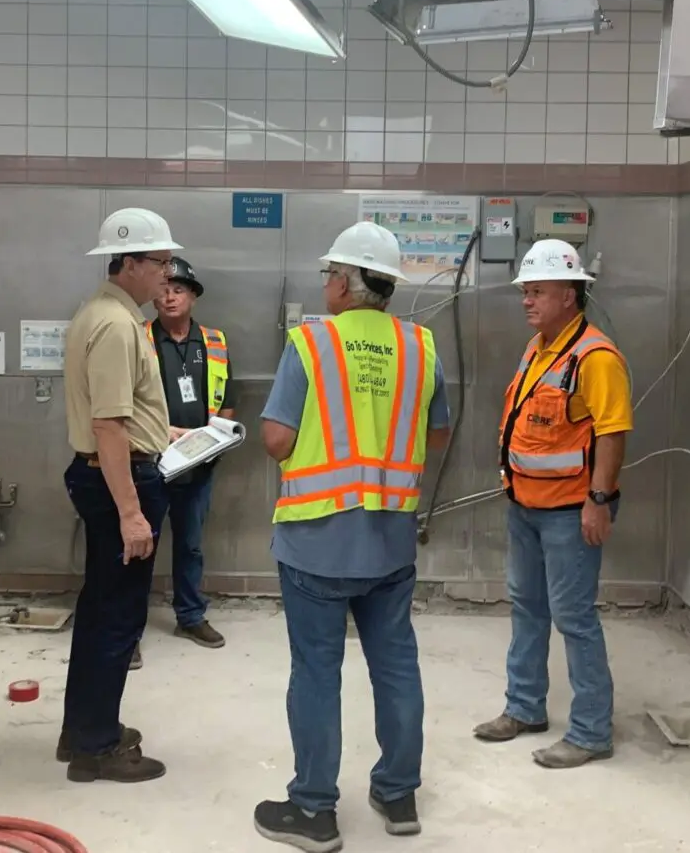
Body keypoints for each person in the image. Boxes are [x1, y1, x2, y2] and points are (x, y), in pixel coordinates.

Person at [253, 221, 452, 853]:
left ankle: (313, 810)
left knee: (317, 670)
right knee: (395, 665)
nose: (326, 286)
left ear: (343, 282)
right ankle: (397, 795)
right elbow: (437, 433)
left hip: (316, 537)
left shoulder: (311, 344)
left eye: (329, 276)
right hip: (390, 537)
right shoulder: (422, 346)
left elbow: (277, 439)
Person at [472, 238, 633, 770]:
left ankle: (590, 731)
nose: (527, 300)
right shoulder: (539, 347)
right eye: (526, 291)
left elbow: (612, 434)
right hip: (525, 506)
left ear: (570, 294)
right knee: (528, 609)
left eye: (537, 291)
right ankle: (524, 708)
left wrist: (599, 500)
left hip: (570, 512)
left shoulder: (596, 357)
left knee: (574, 617)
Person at [55, 206, 180, 784]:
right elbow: (108, 426)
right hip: (118, 484)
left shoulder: (107, 315)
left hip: (117, 470)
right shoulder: (114, 324)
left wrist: (166, 434)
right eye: (160, 262)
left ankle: (82, 730)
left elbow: (123, 416)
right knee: (117, 617)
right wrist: (132, 514)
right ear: (128, 262)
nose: (168, 273)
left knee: (101, 607)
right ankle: (97, 747)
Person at [134, 256, 235, 664]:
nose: (170, 296)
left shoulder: (214, 342)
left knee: (190, 546)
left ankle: (190, 616)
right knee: (139, 547)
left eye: (179, 289)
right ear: (153, 297)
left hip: (197, 465)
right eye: (164, 289)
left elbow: (226, 399)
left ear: (193, 296)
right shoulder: (138, 338)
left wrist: (215, 441)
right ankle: (128, 630)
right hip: (148, 462)